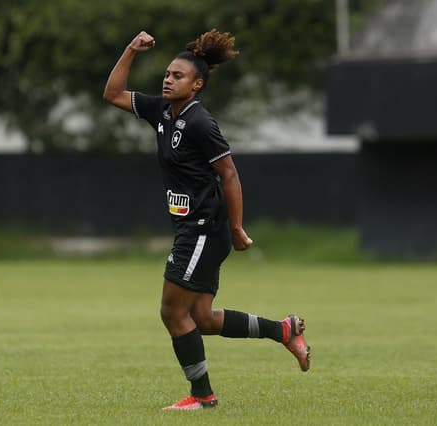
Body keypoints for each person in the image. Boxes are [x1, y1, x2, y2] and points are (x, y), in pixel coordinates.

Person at [103, 30, 311, 410]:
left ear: (197, 85)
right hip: (193, 229)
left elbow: (229, 174)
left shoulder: (200, 122)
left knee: (171, 311)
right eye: (167, 73)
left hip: (204, 230)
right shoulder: (162, 112)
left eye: (178, 76)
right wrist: (131, 49)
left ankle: (203, 396)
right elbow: (113, 94)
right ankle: (284, 330)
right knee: (202, 318)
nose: (168, 79)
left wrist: (236, 228)